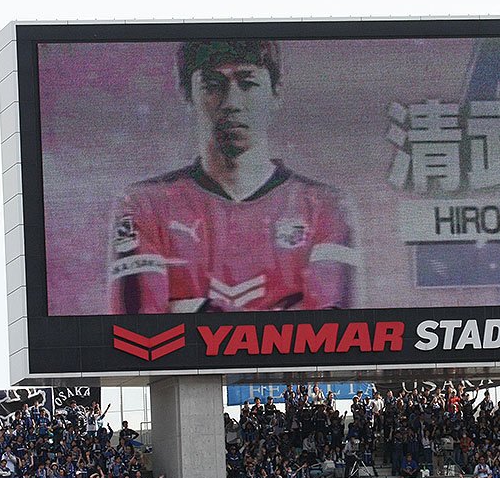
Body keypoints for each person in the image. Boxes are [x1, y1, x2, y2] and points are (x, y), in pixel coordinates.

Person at [110, 39, 356, 314]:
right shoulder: (144, 205)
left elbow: (330, 328)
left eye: (248, 84)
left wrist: (186, 308)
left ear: (275, 93)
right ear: (187, 95)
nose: (232, 103)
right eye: (213, 85)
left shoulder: (325, 207)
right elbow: (140, 330)